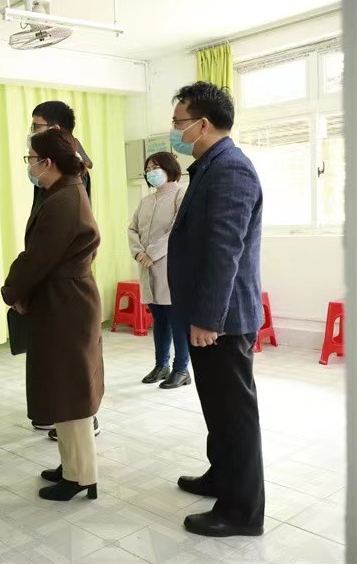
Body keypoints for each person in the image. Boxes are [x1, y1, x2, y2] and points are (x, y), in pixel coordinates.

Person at [167, 81, 264, 537]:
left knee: (234, 414)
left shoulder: (231, 169)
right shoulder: (209, 165)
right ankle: (221, 475)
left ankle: (242, 512)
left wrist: (208, 319)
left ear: (202, 124)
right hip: (209, 314)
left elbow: (225, 249)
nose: (174, 130)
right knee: (217, 408)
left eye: (179, 122)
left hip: (222, 319)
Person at [2, 128, 103, 502]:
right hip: (62, 300)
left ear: (47, 162)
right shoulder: (62, 192)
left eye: (30, 159)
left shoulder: (64, 200)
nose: (29, 166)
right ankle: (71, 466)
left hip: (67, 305)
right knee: (63, 388)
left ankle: (82, 477)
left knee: (72, 392)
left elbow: (37, 258)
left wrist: (13, 291)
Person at [29, 101, 100, 440]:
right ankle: (59, 415)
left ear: (56, 129)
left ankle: (83, 422)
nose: (32, 132)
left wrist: (20, 284)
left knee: (73, 360)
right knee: (57, 359)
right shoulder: (48, 164)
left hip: (67, 278)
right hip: (52, 275)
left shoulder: (73, 169)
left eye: (37, 126)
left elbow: (71, 231)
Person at [128, 152, 190, 389]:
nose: (150, 172)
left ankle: (181, 369)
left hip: (170, 267)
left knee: (177, 321)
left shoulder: (181, 195)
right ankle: (161, 365)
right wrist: (138, 252)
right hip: (146, 267)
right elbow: (132, 229)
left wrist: (152, 253)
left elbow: (177, 230)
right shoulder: (146, 201)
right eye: (147, 169)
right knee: (159, 320)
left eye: (155, 167)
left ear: (169, 168)